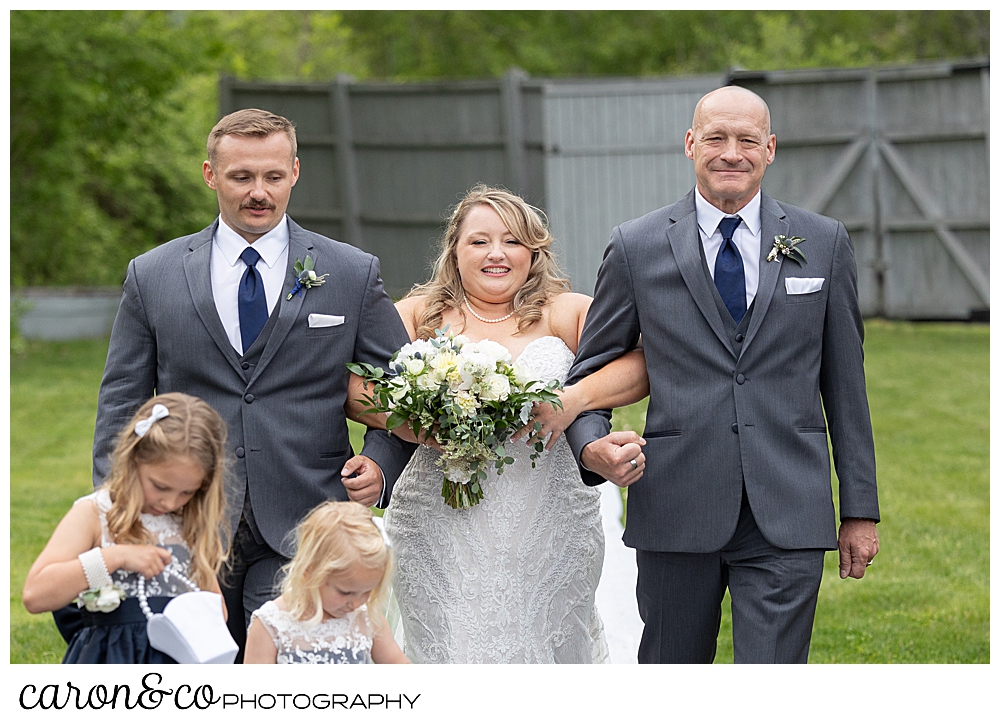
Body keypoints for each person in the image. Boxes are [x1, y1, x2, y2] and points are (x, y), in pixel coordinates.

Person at [564, 85, 880, 664]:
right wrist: (592, 449)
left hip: (789, 507)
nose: (731, 152)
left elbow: (845, 386)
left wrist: (859, 508)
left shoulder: (824, 243)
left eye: (746, 140)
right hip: (675, 506)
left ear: (770, 149)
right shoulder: (635, 247)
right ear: (690, 144)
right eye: (715, 138)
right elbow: (590, 373)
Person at [91, 108, 415, 660]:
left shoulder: (351, 271)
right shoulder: (154, 274)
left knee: (283, 676)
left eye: (272, 176)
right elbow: (122, 400)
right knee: (194, 670)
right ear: (211, 175)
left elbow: (407, 386)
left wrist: (381, 460)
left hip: (306, 513)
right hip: (185, 517)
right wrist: (114, 508)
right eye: (241, 177)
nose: (258, 192)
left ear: (294, 171)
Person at [350, 184, 647, 663]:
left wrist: (571, 400)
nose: (497, 253)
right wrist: (413, 423)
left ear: (534, 250)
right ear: (454, 249)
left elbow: (638, 363)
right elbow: (355, 387)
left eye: (512, 241)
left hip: (549, 526)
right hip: (438, 526)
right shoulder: (417, 314)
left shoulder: (566, 311)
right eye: (479, 240)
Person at [24, 393, 229, 664]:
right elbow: (36, 594)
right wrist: (114, 557)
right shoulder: (94, 513)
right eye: (160, 486)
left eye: (187, 492)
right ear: (133, 461)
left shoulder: (188, 525)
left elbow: (218, 612)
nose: (170, 502)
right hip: (111, 659)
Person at [244, 501, 408, 664]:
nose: (356, 602)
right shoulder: (271, 624)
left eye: (367, 592)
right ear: (309, 571)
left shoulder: (366, 618)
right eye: (345, 592)